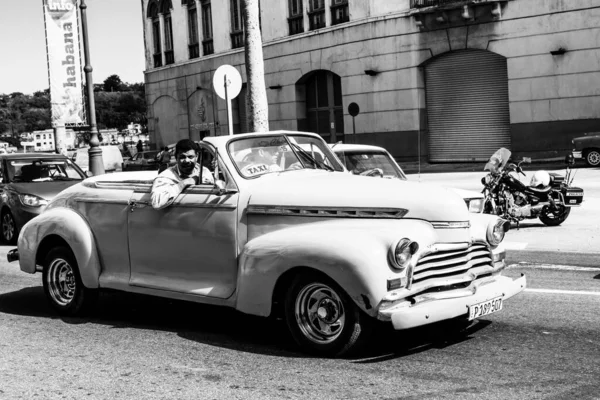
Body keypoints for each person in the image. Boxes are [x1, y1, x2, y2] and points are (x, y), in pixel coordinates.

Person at [150, 139, 214, 210]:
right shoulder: (167, 176)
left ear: (197, 156)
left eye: (190, 157)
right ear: (176, 157)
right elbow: (156, 203)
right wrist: (184, 183)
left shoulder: (204, 171)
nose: (186, 161)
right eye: (182, 157)